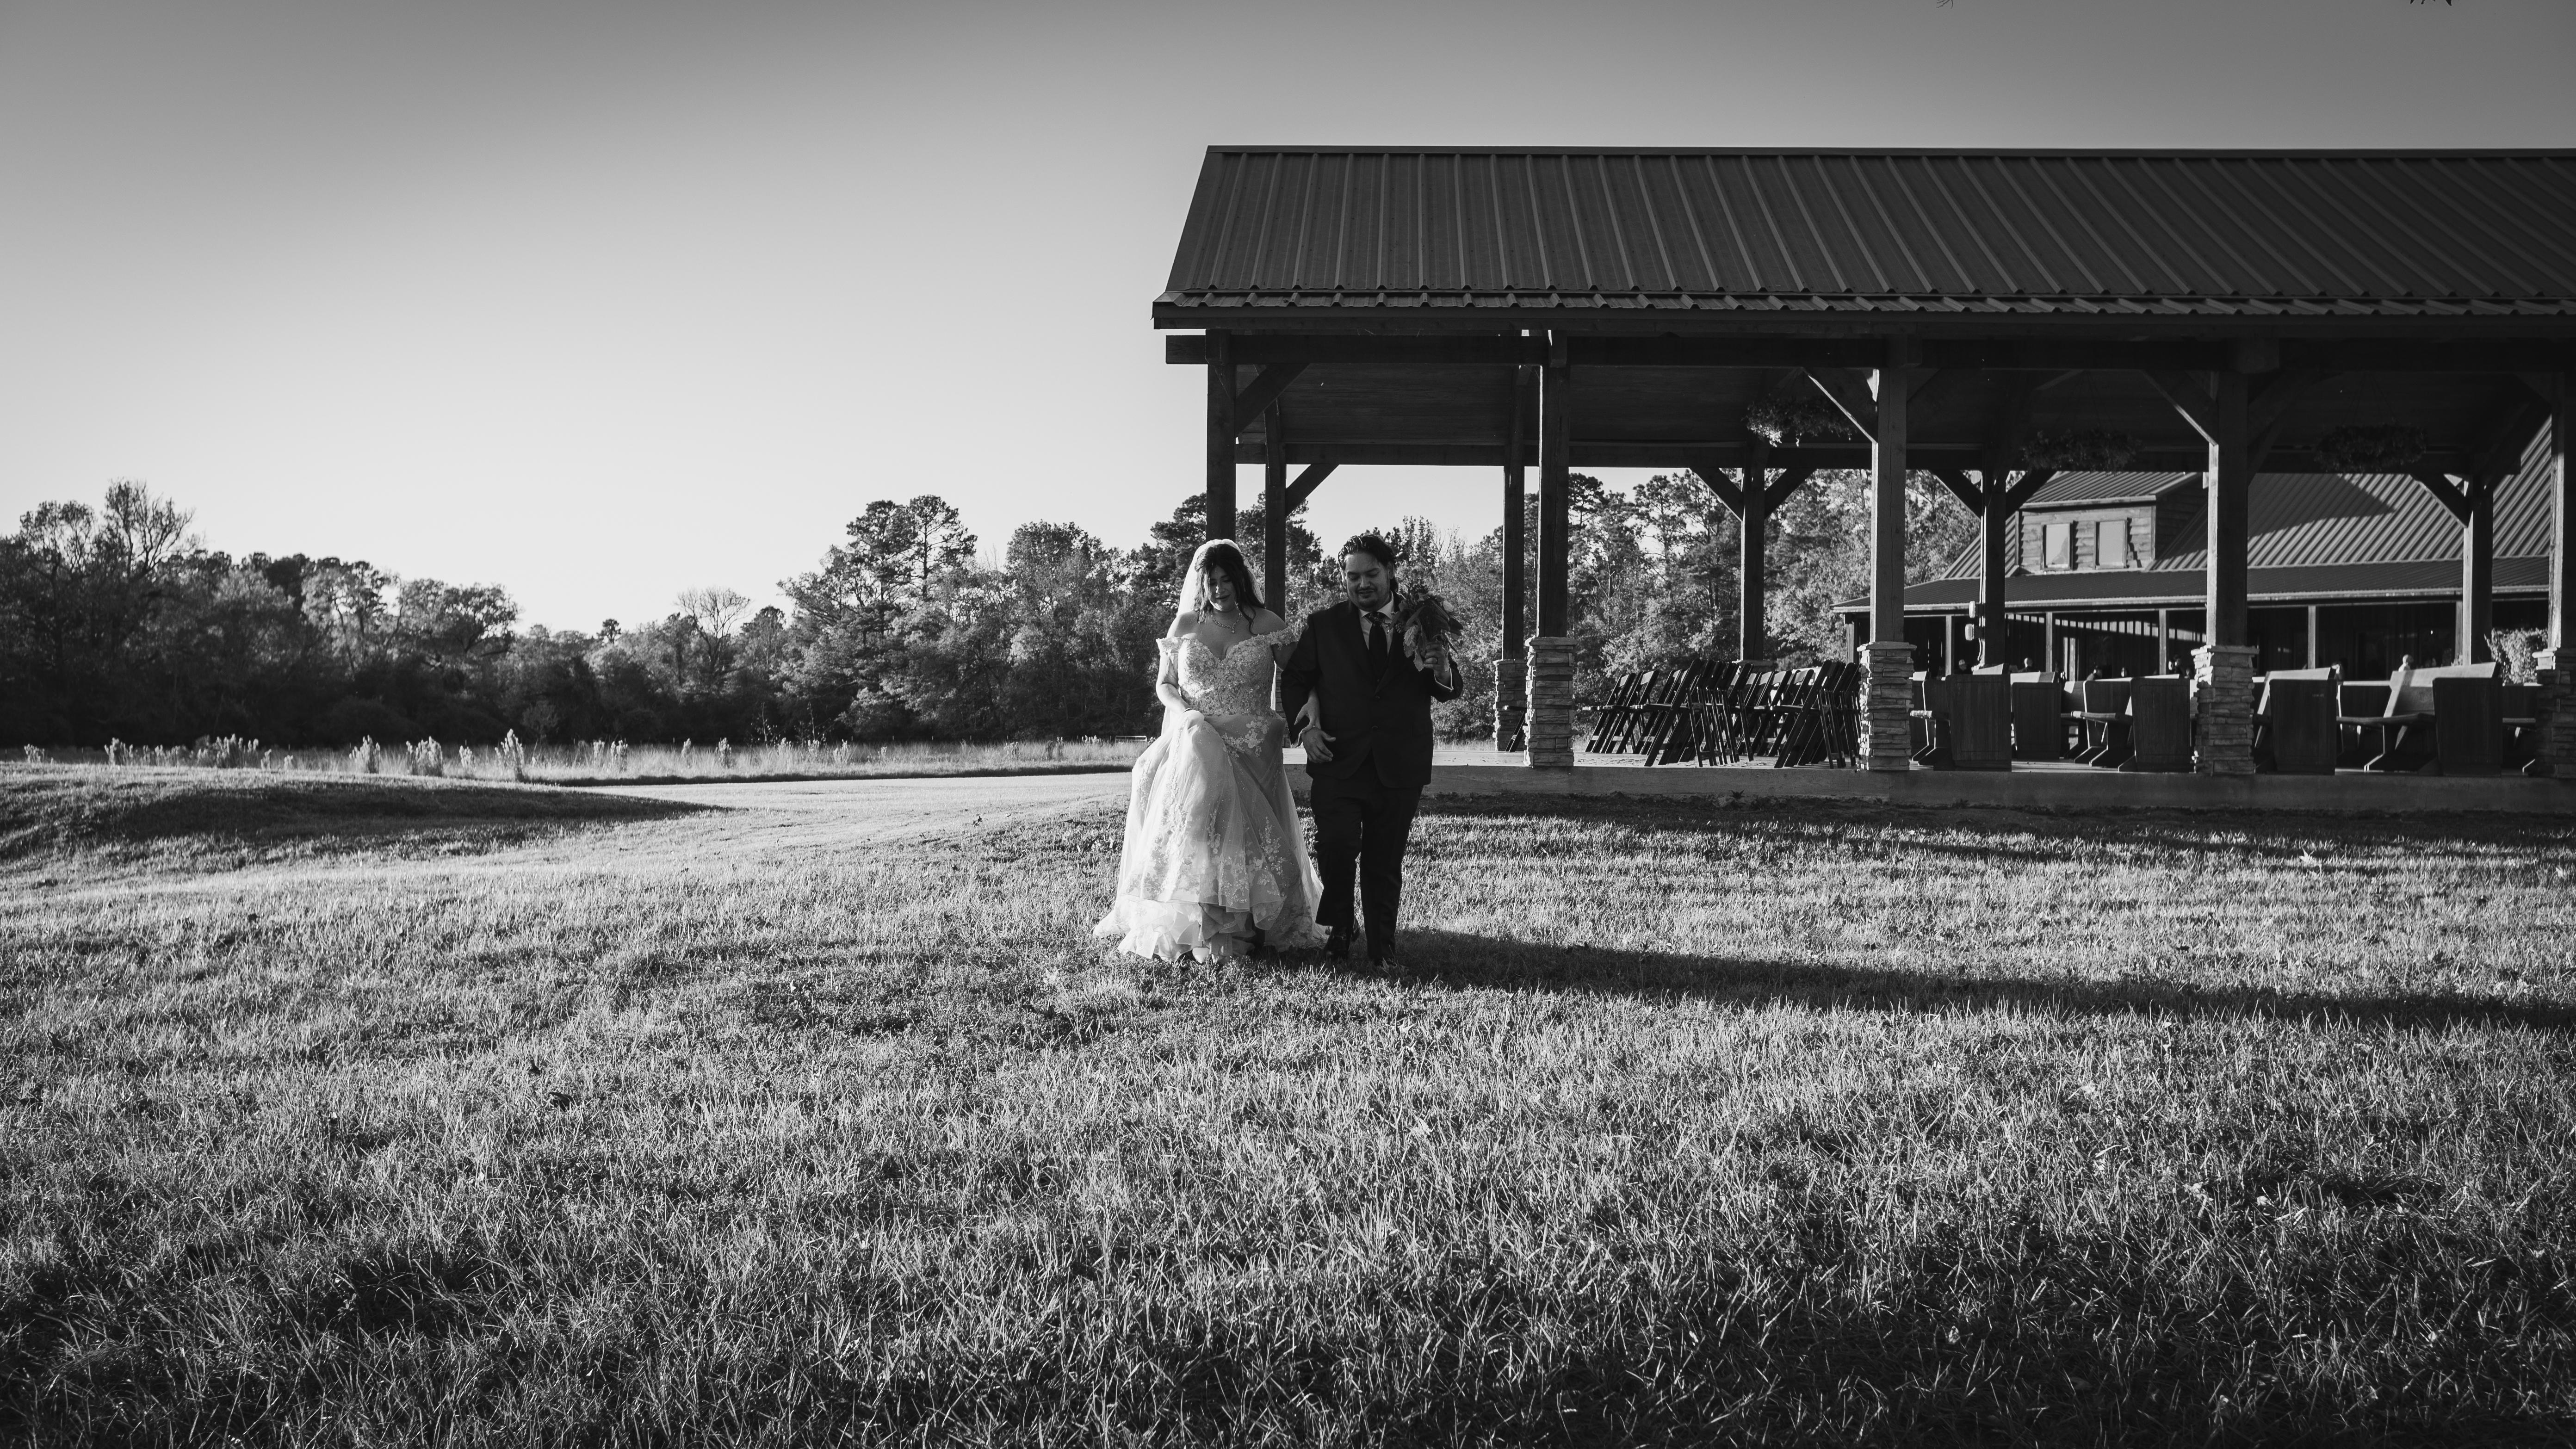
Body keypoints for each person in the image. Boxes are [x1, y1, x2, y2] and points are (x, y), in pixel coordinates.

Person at [1094, 539, 1325, 961]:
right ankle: (1200, 916)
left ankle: (1246, 921)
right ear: (1201, 585)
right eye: (1211, 582)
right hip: (1196, 731)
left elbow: (1301, 675)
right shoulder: (1186, 624)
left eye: (1226, 580)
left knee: (1225, 794)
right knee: (1156, 776)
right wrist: (1185, 714)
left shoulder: (1266, 623)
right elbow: (1165, 684)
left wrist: (1311, 704)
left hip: (1252, 737)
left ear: (1241, 580)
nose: (1219, 589)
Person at [1276, 534, 1461, 969]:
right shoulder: (1323, 625)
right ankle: (1341, 928)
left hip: (1400, 762)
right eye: (1353, 576)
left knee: (1384, 860)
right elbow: (1296, 679)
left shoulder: (1424, 620)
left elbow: (1447, 689)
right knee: (1336, 848)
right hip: (1337, 759)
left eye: (1371, 574)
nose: (1362, 584)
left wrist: (1442, 669)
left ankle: (1383, 948)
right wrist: (1306, 732)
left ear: (1390, 572)